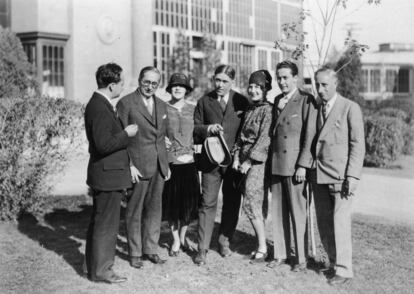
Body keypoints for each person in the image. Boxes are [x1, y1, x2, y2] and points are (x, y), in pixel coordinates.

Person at [310, 67, 365, 285]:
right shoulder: (316, 107)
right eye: (317, 84)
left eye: (324, 85)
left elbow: (357, 144)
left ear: (335, 84)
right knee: (324, 222)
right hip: (319, 174)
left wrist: (352, 176)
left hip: (341, 176)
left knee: (340, 222)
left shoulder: (350, 108)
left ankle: (344, 269)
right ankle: (333, 262)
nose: (320, 89)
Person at [84, 63, 138, 283]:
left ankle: (93, 267)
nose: (123, 86)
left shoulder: (101, 104)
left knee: (100, 222)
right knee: (106, 225)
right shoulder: (99, 106)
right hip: (107, 176)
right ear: (112, 85)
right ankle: (102, 271)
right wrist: (126, 133)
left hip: (107, 174)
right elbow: (103, 145)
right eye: (121, 83)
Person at [193, 65, 249, 265]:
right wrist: (207, 128)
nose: (220, 85)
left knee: (232, 202)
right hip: (210, 163)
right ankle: (202, 248)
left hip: (233, 163)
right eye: (217, 80)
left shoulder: (241, 101)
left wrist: (241, 157)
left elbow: (247, 131)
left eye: (225, 81)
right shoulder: (204, 101)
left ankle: (224, 241)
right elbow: (194, 128)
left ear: (232, 82)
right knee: (207, 203)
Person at [117, 66, 170, 269]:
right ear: (139, 80)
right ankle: (135, 252)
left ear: (159, 85)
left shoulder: (162, 105)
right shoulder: (126, 103)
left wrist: (166, 164)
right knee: (134, 210)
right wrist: (129, 165)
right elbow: (120, 139)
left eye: (154, 83)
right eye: (146, 82)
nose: (150, 86)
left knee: (155, 210)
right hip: (137, 166)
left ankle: (150, 249)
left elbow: (164, 137)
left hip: (159, 166)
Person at [268, 60, 317, 272]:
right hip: (277, 164)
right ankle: (281, 253)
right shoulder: (277, 100)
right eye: (279, 77)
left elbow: (310, 136)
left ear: (295, 78)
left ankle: (301, 259)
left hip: (296, 167)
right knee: (278, 213)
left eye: (285, 77)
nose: (282, 81)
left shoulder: (306, 100)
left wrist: (303, 165)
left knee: (298, 213)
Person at [232, 70, 273, 263]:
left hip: (257, 162)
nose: (254, 90)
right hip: (243, 159)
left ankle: (263, 248)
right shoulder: (249, 109)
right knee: (249, 201)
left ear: (265, 90)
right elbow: (241, 136)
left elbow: (265, 139)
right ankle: (260, 244)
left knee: (252, 201)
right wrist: (236, 157)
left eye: (258, 87)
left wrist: (249, 161)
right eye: (251, 87)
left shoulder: (268, 110)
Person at [162, 73, 200, 257]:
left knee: (187, 205)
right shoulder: (162, 109)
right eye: (174, 86)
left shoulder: (193, 109)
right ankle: (175, 240)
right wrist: (162, 140)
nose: (177, 88)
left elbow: (200, 132)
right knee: (172, 205)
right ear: (169, 89)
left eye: (181, 86)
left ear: (186, 89)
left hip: (190, 163)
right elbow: (156, 132)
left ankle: (183, 237)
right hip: (172, 163)